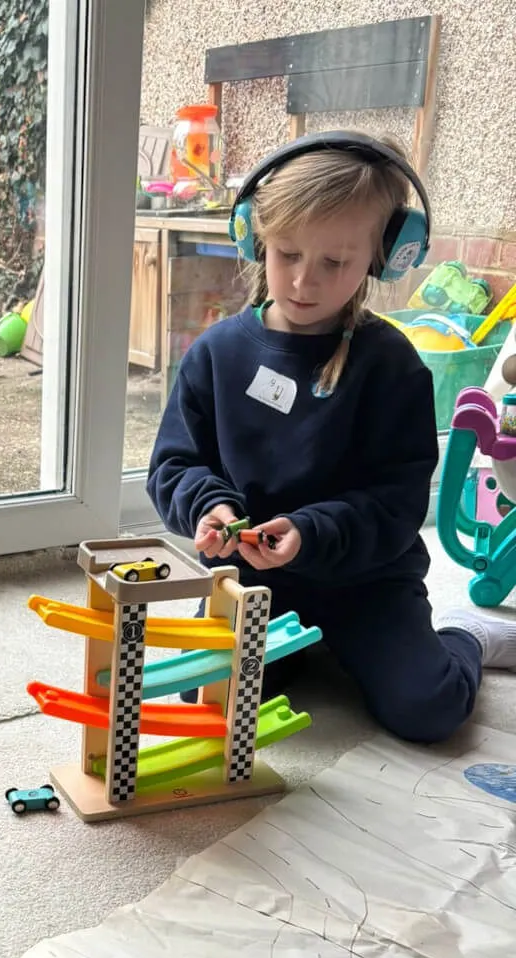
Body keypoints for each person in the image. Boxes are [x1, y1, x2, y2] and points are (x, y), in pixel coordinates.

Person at [147, 131, 516, 744]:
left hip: (367, 581)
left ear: (384, 255)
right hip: (255, 581)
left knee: (430, 709)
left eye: (334, 263)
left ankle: (462, 633)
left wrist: (311, 533)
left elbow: (397, 504)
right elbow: (174, 465)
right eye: (286, 253)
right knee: (210, 705)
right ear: (253, 236)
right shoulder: (216, 354)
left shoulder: (392, 365)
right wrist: (209, 505)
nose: (302, 282)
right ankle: (315, 653)